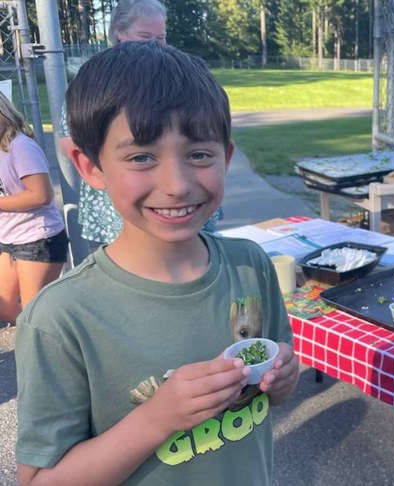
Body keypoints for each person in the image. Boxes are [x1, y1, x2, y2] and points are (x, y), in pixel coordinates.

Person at [15, 41, 299, 485]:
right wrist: (157, 419)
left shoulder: (250, 265)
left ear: (225, 156)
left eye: (199, 154)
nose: (177, 185)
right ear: (89, 167)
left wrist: (283, 377)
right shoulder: (62, 318)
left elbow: (279, 383)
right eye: (141, 157)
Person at [58, 0, 222, 252]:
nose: (155, 44)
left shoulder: (176, 78)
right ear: (119, 33)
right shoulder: (99, 83)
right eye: (145, 36)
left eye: (161, 37)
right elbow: (70, 136)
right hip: (119, 210)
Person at [0, 93, 68, 325]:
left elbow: (41, 195)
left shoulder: (20, 147)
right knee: (5, 307)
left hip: (38, 239)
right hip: (10, 240)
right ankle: (48, 341)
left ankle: (48, 351)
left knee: (33, 314)